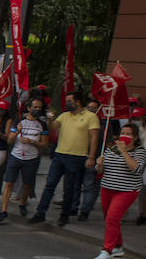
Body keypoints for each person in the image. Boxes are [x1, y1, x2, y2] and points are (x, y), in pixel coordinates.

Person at [29, 92, 99, 227]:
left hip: (77, 156)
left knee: (69, 187)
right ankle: (40, 213)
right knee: (50, 184)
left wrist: (91, 157)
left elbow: (94, 138)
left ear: (77, 102)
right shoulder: (64, 115)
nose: (66, 103)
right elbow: (52, 127)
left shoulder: (91, 117)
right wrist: (50, 119)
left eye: (69, 101)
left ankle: (64, 215)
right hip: (59, 154)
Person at [93, 122, 146, 259]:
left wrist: (124, 151)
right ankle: (118, 246)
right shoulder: (111, 148)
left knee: (112, 218)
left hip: (127, 190)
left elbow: (136, 169)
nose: (124, 136)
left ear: (135, 137)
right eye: (123, 133)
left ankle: (107, 251)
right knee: (110, 219)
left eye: (128, 134)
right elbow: (100, 171)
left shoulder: (140, 151)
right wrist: (99, 165)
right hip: (107, 188)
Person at [0, 99, 48, 223]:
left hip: (31, 158)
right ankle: (3, 210)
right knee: (9, 183)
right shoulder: (18, 121)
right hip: (16, 155)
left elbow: (45, 144)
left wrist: (33, 142)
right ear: (29, 108)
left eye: (39, 107)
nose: (37, 109)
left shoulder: (42, 124)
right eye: (35, 107)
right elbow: (9, 141)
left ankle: (22, 203)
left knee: (27, 184)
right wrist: (17, 132)